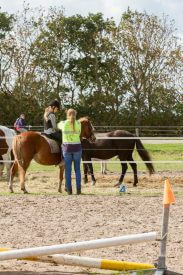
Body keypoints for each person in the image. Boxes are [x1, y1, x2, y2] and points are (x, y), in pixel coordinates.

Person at [57, 109, 82, 195]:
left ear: (67, 115)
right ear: (76, 115)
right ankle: (78, 190)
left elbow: (58, 125)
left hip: (67, 149)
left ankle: (69, 191)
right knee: (77, 170)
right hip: (77, 149)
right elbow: (79, 134)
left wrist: (66, 119)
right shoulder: (79, 124)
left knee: (68, 171)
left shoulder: (63, 124)